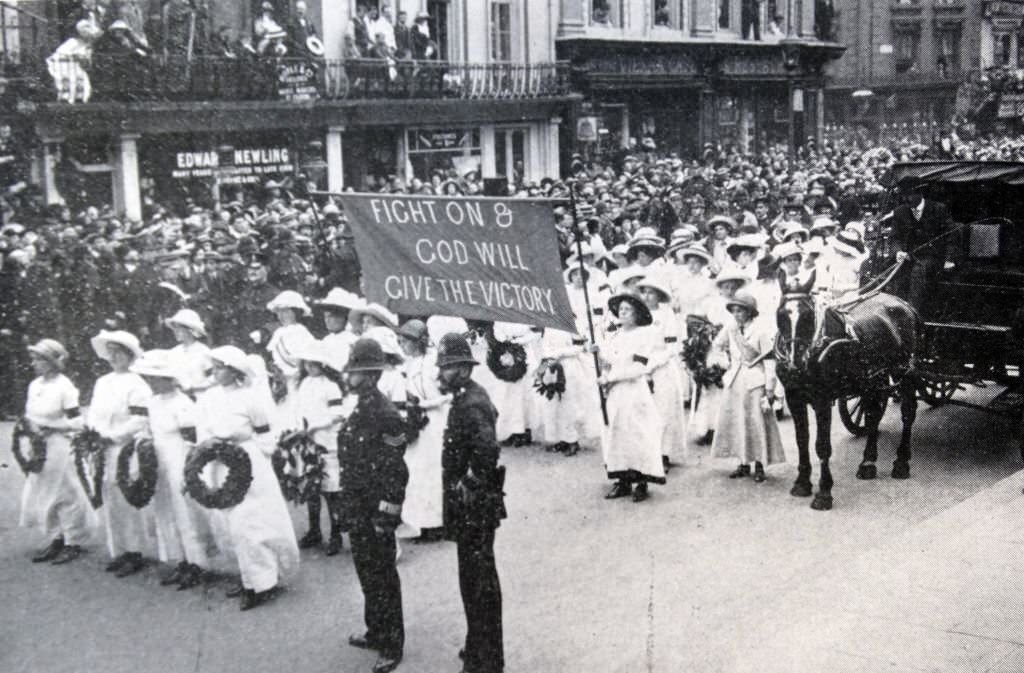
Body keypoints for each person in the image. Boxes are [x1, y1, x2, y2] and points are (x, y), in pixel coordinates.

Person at [196, 345, 300, 610]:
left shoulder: (250, 399)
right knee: (230, 523)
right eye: (215, 368)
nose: (216, 372)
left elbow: (265, 435)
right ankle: (247, 578)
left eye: (221, 368)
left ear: (234, 372)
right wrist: (209, 452)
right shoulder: (209, 398)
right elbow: (202, 430)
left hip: (248, 464)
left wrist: (256, 458)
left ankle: (263, 583)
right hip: (220, 462)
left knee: (250, 523)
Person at [436, 333, 506, 673]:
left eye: (447, 367)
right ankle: (477, 645)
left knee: (480, 584)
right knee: (472, 580)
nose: (442, 373)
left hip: (475, 505)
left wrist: (472, 481)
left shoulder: (472, 401)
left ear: (463, 369)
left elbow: (488, 450)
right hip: (468, 504)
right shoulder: (464, 396)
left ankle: (488, 660)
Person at [339, 338, 408, 673]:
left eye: (353, 372)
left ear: (367, 376)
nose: (347, 377)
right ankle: (376, 630)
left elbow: (396, 470)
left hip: (375, 508)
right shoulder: (360, 409)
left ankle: (392, 645)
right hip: (357, 504)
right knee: (367, 572)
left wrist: (387, 513)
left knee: (383, 576)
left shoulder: (385, 413)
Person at [132, 349, 208, 590]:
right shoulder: (153, 402)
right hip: (159, 461)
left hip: (179, 459)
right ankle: (181, 560)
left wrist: (189, 469)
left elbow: (192, 440)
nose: (150, 383)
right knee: (166, 510)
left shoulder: (182, 403)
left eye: (154, 378)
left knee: (185, 512)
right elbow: (148, 428)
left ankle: (196, 564)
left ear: (168, 379)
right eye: (148, 378)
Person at [86, 330, 153, 578]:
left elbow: (139, 419)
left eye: (119, 352)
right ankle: (119, 550)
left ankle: (135, 551)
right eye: (110, 352)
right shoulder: (102, 382)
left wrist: (113, 436)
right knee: (107, 495)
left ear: (130, 355)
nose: (114, 357)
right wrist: (94, 434)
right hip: (101, 447)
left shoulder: (137, 384)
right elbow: (93, 412)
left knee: (126, 496)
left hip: (124, 447)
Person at [18, 339, 90, 565]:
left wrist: (52, 428)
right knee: (42, 491)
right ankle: (56, 537)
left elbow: (77, 422)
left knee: (65, 494)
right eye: (34, 359)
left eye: (39, 359)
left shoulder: (65, 386)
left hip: (59, 446)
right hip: (38, 447)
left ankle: (72, 541)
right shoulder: (34, 385)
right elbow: (30, 415)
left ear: (51, 362)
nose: (34, 363)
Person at [595, 293, 666, 502]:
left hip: (634, 391)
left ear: (636, 314)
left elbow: (638, 367)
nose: (622, 313)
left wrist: (612, 378)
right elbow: (609, 360)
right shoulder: (615, 335)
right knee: (616, 433)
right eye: (621, 309)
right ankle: (622, 480)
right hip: (616, 393)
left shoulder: (644, 335)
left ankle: (641, 481)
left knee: (638, 433)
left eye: (627, 309)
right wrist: (599, 354)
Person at [710, 291, 785, 481]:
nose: (736, 315)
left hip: (755, 382)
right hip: (735, 380)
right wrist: (724, 363)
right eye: (733, 311)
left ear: (750, 312)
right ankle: (743, 463)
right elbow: (717, 345)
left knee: (756, 423)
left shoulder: (760, 331)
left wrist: (770, 387)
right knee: (738, 422)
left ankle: (759, 465)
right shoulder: (730, 328)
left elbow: (769, 360)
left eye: (740, 311)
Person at [289, 341, 346, 556]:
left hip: (326, 442)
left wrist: (314, 426)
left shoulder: (330, 386)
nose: (310, 367)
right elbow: (298, 410)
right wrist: (298, 428)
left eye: (314, 364)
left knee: (331, 491)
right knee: (311, 489)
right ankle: (314, 530)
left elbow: (337, 414)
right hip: (307, 443)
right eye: (307, 363)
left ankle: (336, 534)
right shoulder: (303, 385)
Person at [397, 319, 450, 541]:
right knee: (416, 473)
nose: (402, 345)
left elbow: (447, 395)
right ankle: (421, 524)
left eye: (406, 341)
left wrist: (423, 405)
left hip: (436, 423)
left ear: (417, 342)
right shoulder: (409, 364)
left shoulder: (434, 363)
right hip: (417, 425)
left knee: (434, 472)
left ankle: (438, 524)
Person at [891, 185, 954, 314]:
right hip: (907, 256)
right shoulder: (900, 212)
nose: (905, 199)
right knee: (889, 270)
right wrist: (898, 252)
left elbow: (951, 236)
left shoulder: (938, 209)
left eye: (909, 195)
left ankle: (911, 313)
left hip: (933, 257)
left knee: (919, 270)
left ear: (919, 194)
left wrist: (949, 259)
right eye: (903, 196)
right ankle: (893, 310)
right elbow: (894, 237)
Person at [165, 308, 213, 396]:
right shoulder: (173, 352)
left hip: (201, 397)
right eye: (174, 328)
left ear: (190, 330)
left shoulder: (203, 351)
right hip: (179, 400)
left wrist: (194, 388)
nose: (175, 332)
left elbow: (213, 378)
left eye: (179, 328)